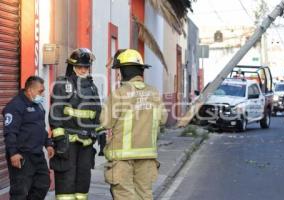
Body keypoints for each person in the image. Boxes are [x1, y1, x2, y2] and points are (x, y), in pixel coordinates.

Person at [100, 49, 168, 200]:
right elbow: (163, 119)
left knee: (125, 196)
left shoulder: (119, 94)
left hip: (122, 158)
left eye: (119, 70)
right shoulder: (154, 93)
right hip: (147, 156)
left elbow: (105, 122)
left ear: (125, 71)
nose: (118, 74)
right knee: (144, 195)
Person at [49, 48, 104, 200]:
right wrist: (59, 140)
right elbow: (56, 113)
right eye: (79, 67)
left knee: (83, 182)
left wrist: (101, 134)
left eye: (85, 67)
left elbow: (97, 113)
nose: (82, 70)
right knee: (66, 181)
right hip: (68, 143)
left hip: (86, 144)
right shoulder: (63, 84)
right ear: (72, 67)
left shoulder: (92, 87)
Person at [3, 76, 54, 200]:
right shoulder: (15, 106)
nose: (42, 94)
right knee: (20, 191)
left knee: (43, 184)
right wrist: (13, 153)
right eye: (40, 91)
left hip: (37, 154)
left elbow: (41, 128)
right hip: (22, 155)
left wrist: (48, 144)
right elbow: (10, 132)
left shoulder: (38, 106)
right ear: (30, 90)